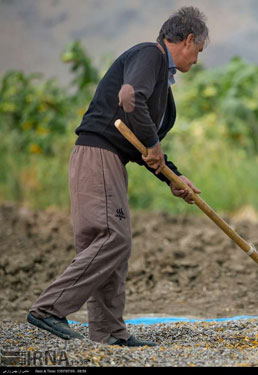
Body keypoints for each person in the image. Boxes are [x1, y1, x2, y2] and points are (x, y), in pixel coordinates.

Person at [27, 6, 208, 346]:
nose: (196, 60)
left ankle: (109, 333)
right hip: (98, 155)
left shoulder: (161, 85)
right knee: (113, 237)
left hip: (109, 159)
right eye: (198, 51)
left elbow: (143, 147)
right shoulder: (150, 55)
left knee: (108, 244)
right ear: (187, 40)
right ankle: (48, 308)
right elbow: (129, 98)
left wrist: (174, 178)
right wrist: (153, 144)